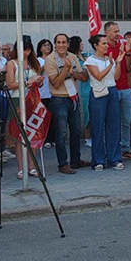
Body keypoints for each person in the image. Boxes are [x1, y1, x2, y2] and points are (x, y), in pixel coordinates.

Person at [45, 34, 90, 174]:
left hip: (73, 97)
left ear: (68, 43)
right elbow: (56, 83)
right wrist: (66, 69)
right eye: (58, 42)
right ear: (55, 44)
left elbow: (83, 77)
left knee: (76, 131)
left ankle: (75, 160)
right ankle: (62, 164)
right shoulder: (50, 59)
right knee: (61, 133)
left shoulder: (72, 56)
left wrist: (72, 73)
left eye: (64, 42)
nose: (61, 45)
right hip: (59, 99)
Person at [5, 36, 45, 178]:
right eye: (23, 50)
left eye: (28, 50)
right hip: (18, 99)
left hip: (33, 100)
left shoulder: (33, 64)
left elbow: (39, 81)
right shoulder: (12, 64)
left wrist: (39, 81)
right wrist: (28, 81)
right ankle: (21, 167)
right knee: (20, 134)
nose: (26, 53)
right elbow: (10, 84)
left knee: (33, 133)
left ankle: (32, 165)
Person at [85, 34, 123, 171]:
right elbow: (99, 76)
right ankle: (98, 160)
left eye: (107, 43)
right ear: (96, 45)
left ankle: (115, 158)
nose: (107, 46)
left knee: (113, 125)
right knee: (98, 126)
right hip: (98, 92)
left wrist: (117, 63)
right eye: (104, 43)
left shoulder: (109, 59)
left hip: (112, 91)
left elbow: (116, 77)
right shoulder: (90, 60)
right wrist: (111, 64)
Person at [103, 22, 131, 160]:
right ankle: (111, 149)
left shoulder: (122, 46)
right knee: (111, 121)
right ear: (106, 33)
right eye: (114, 31)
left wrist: (127, 53)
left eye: (118, 30)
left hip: (125, 88)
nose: (117, 33)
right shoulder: (103, 48)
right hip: (111, 89)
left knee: (125, 120)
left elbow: (129, 68)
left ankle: (125, 148)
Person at [36, 39, 54, 148]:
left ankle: (52, 138)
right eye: (44, 45)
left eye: (48, 45)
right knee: (42, 117)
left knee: (52, 117)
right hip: (42, 93)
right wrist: (45, 64)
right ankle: (44, 139)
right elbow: (37, 72)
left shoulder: (54, 59)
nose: (47, 47)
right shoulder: (38, 60)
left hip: (52, 92)